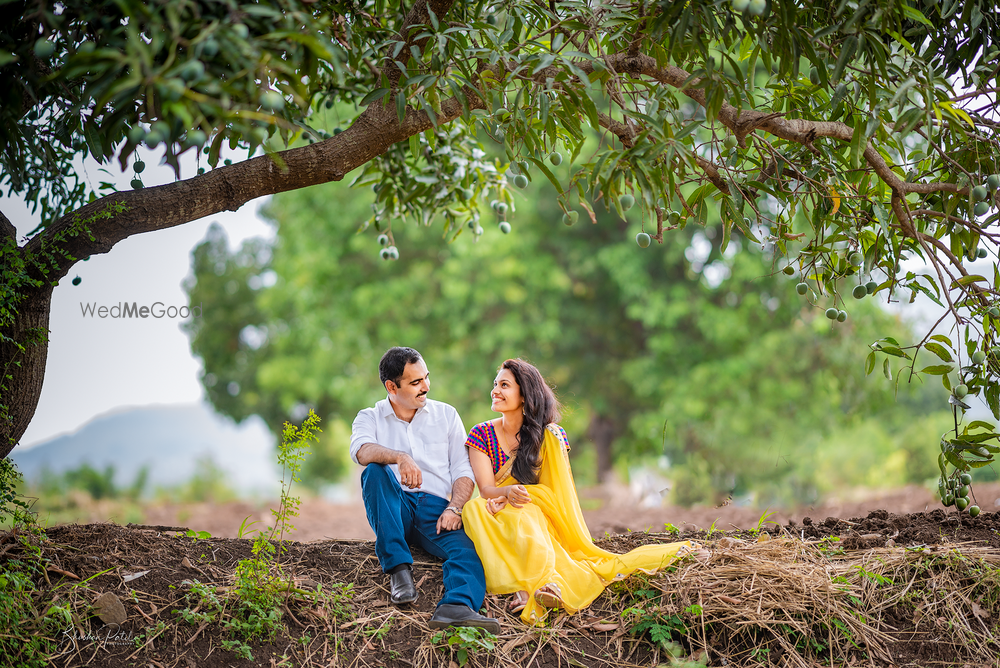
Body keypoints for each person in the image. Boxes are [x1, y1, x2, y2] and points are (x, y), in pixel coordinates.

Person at [462, 359, 706, 624]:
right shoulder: (482, 433)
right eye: (495, 384)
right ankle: (530, 584)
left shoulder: (549, 436)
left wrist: (519, 497)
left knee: (526, 515)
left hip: (536, 513)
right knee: (473, 508)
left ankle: (540, 585)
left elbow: (555, 491)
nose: (495, 390)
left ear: (524, 395)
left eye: (504, 385)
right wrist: (505, 494)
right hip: (495, 508)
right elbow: (485, 489)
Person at [350, 346, 500, 633]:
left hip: (437, 510)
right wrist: (400, 457)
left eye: (426, 378)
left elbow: (462, 469)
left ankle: (456, 606)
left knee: (469, 551)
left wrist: (455, 507)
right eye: (415, 382)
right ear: (391, 387)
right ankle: (398, 570)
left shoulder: (446, 414)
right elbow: (361, 450)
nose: (426, 387)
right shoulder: (370, 416)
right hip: (395, 507)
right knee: (374, 472)